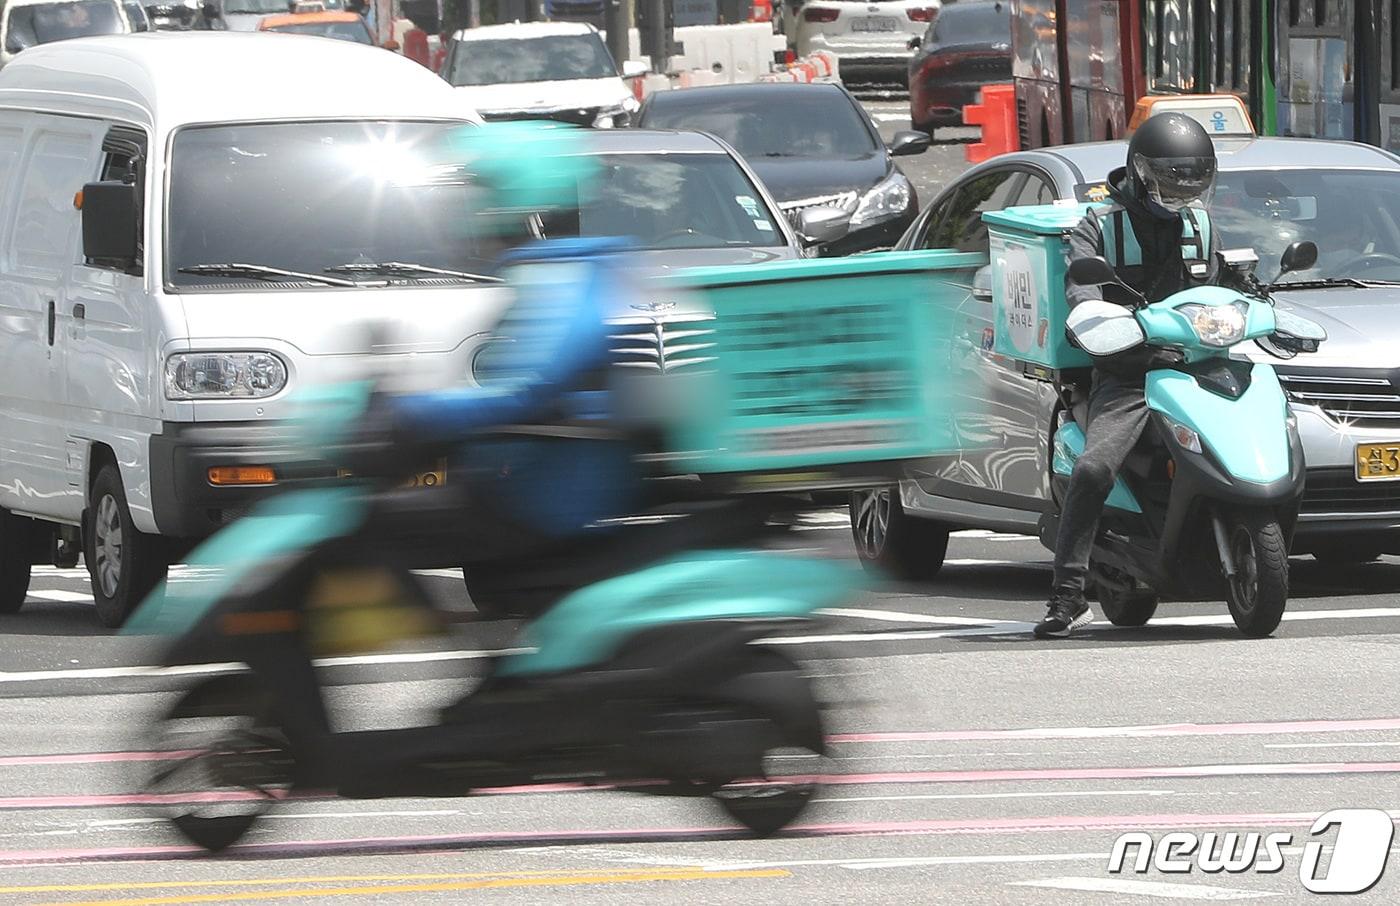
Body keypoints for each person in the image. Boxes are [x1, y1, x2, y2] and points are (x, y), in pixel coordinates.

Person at [1034, 112, 1221, 638]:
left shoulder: (1201, 223)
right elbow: (1081, 287)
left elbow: (1220, 280)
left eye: (1193, 181)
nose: (1182, 193)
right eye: (1170, 180)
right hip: (1130, 373)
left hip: (1197, 366)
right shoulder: (1098, 225)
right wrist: (1094, 317)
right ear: (1140, 172)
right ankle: (1067, 595)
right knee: (1095, 469)